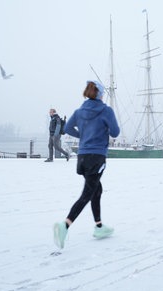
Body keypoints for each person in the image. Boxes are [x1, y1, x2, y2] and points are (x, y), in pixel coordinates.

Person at [53, 80, 120, 249]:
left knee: (96, 189)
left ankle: (99, 227)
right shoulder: (106, 110)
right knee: (87, 194)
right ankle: (65, 225)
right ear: (100, 94)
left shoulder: (79, 111)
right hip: (96, 157)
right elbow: (115, 132)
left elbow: (67, 128)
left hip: (82, 157)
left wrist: (83, 135)